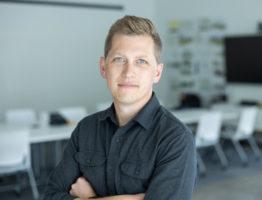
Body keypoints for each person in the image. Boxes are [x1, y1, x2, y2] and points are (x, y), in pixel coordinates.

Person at [44, 15, 196, 200]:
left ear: (157, 72)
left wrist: (89, 198)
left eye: (141, 61)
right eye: (119, 59)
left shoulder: (175, 138)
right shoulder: (86, 129)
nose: (128, 72)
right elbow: (51, 196)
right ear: (103, 67)